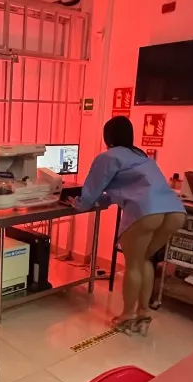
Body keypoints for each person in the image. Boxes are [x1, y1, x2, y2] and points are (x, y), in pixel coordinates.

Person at [75, 116, 185, 334]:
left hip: (146, 211)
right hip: (174, 211)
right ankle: (144, 312)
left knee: (133, 265)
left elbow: (91, 191)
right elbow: (125, 189)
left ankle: (127, 315)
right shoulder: (142, 156)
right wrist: (103, 200)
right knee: (145, 260)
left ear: (108, 137)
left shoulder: (108, 157)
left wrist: (78, 204)